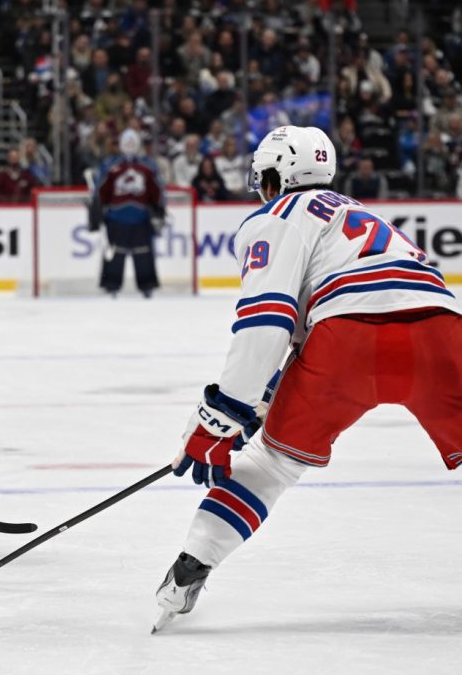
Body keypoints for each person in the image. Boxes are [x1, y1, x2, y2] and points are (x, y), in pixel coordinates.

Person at [154, 126, 462, 632]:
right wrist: (264, 395)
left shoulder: (276, 217)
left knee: (273, 463)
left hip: (349, 340)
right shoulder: (359, 213)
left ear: (275, 177)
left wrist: (222, 416)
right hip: (441, 331)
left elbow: (267, 320)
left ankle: (191, 567)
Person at [90, 129, 164, 298]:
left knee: (143, 252)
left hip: (141, 218)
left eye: (133, 142)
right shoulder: (110, 166)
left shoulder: (148, 166)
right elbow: (100, 191)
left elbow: (157, 191)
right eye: (127, 142)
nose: (130, 146)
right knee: (114, 253)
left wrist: (159, 210)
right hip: (116, 218)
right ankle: (111, 284)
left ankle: (147, 285)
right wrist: (97, 211)